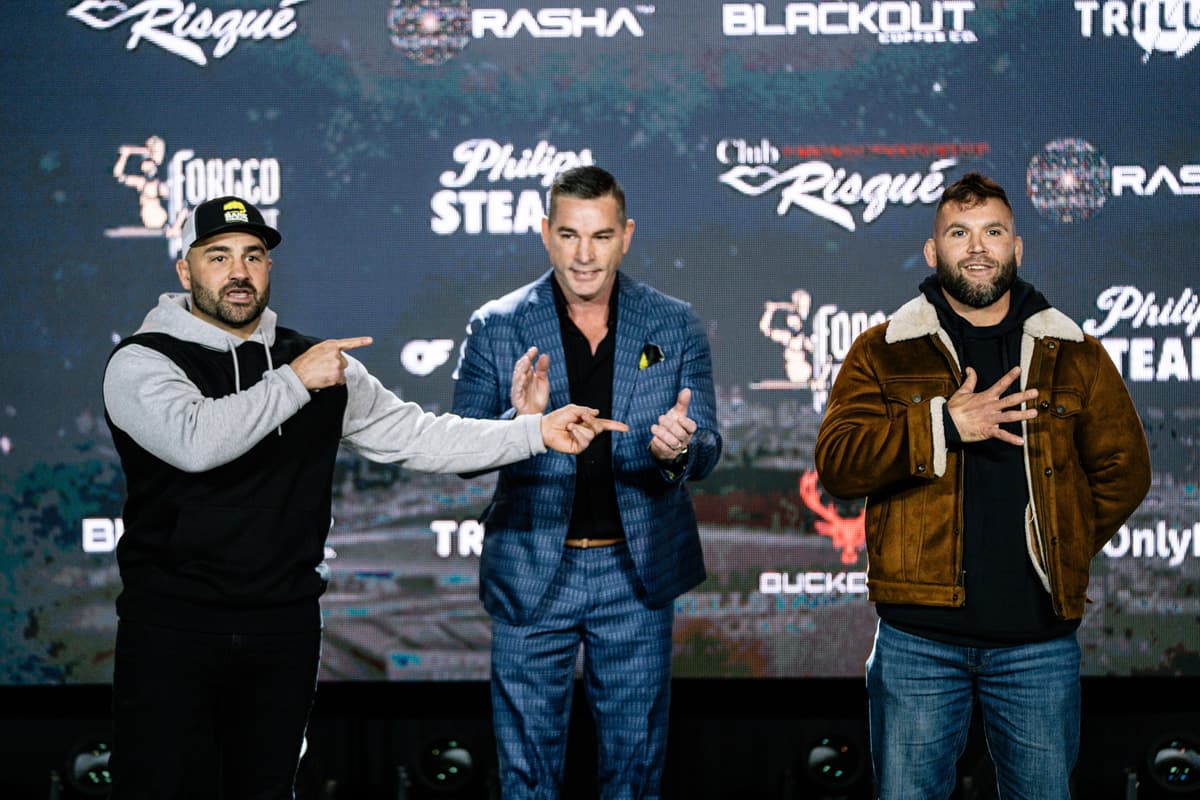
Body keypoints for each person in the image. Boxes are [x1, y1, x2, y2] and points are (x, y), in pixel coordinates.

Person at [101, 195, 626, 800]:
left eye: (253, 256)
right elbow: (195, 441)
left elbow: (418, 436)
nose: (239, 272)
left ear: (269, 268)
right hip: (172, 625)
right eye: (218, 256)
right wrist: (296, 381)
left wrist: (533, 431)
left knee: (267, 791)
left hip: (283, 624)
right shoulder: (144, 360)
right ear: (185, 271)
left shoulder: (319, 363)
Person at [813, 172, 1152, 799]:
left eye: (992, 232)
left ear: (1016, 248)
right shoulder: (884, 350)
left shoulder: (1074, 352)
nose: (976, 247)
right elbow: (838, 463)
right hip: (918, 641)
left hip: (1037, 644)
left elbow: (1125, 469)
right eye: (958, 233)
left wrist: (1061, 540)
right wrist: (943, 423)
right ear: (932, 251)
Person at [451, 165, 722, 799]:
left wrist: (676, 449)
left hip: (637, 576)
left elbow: (707, 444)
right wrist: (519, 424)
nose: (584, 254)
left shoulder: (674, 323)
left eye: (600, 236)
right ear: (545, 233)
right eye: (569, 235)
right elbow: (461, 450)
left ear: (625, 235)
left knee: (634, 772)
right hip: (531, 572)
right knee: (525, 776)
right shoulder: (497, 325)